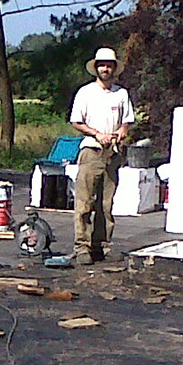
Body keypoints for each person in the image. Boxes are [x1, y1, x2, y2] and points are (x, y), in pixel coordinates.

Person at [68, 46, 133, 265]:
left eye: (109, 65)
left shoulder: (121, 94)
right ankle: (82, 247)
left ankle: (101, 244)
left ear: (115, 69)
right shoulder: (85, 92)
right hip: (91, 150)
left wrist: (122, 131)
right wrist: (97, 134)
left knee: (106, 203)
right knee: (85, 201)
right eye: (102, 65)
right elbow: (76, 121)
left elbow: (127, 120)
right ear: (96, 68)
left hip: (112, 153)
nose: (105, 69)